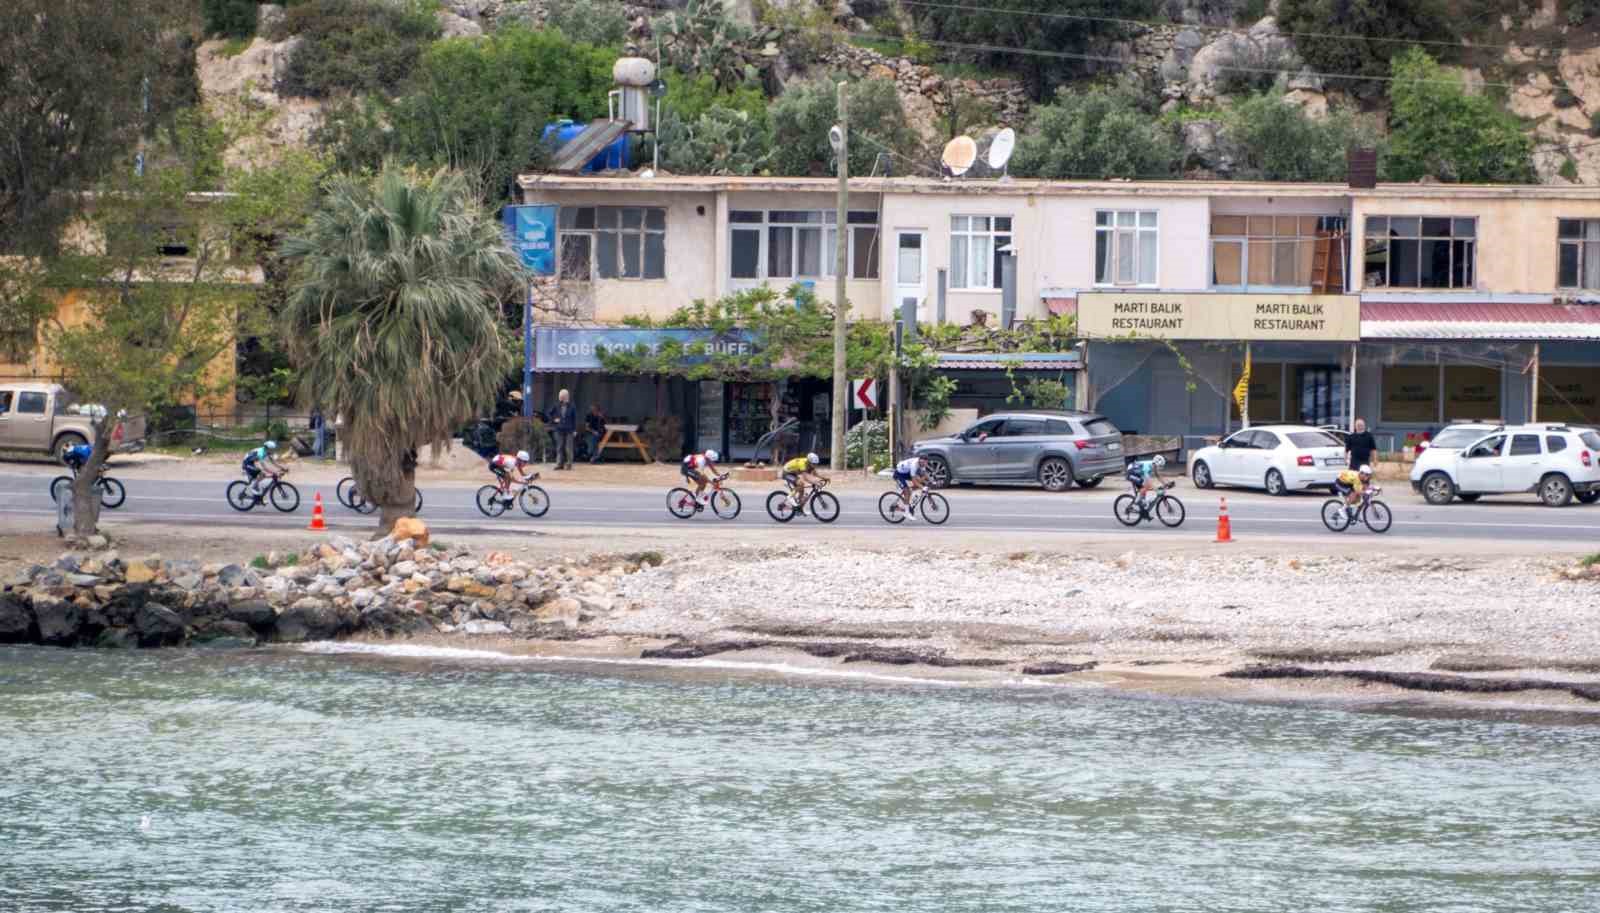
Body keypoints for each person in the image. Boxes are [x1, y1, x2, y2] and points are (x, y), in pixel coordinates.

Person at [551, 389, 577, 470]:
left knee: (568, 448)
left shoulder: (572, 406)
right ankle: (559, 464)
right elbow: (550, 414)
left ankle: (569, 464)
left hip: (569, 430)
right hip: (559, 429)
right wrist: (554, 419)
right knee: (559, 447)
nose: (562, 398)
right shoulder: (556, 405)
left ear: (567, 397)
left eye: (563, 397)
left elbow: (574, 419)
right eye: (561, 397)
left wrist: (575, 430)